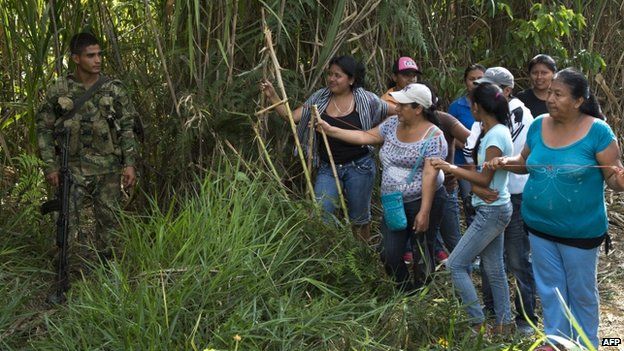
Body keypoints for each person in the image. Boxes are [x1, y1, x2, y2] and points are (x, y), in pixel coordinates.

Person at [486, 68, 624, 350]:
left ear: (578, 100)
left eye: (558, 94)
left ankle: (586, 344)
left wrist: (619, 179)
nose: (550, 98)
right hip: (539, 226)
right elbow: (525, 161)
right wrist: (504, 162)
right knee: (550, 290)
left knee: (581, 293)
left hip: (580, 231)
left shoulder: (598, 132)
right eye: (549, 92)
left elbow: (613, 177)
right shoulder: (538, 125)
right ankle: (556, 342)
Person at [317, 83, 447, 291]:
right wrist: (331, 130)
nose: (396, 108)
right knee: (389, 253)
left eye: (402, 105)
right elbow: (366, 136)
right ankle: (406, 291)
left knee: (421, 251)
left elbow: (430, 175)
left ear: (418, 109)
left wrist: (424, 211)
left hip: (421, 201)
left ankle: (422, 296)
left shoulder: (433, 137)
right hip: (393, 201)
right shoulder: (392, 124)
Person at [36, 33, 139, 285]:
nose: (97, 60)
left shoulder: (114, 89)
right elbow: (43, 130)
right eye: (90, 55)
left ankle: (107, 276)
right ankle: (62, 278)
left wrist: (130, 164)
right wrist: (50, 166)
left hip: (107, 170)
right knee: (65, 226)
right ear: (76, 58)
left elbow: (127, 128)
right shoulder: (59, 90)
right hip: (72, 170)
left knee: (109, 224)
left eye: (99, 54)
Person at [260, 55, 388, 242]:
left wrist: (379, 135)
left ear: (351, 79)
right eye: (330, 74)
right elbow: (292, 117)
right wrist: (273, 96)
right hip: (329, 167)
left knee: (359, 219)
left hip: (360, 166)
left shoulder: (367, 100)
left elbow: (395, 113)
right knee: (321, 215)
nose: (331, 79)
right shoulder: (319, 98)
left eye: (338, 75)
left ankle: (362, 259)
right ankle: (332, 257)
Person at [430, 82, 514, 334]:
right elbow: (485, 177)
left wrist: (451, 168)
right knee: (495, 269)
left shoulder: (496, 135)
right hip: (495, 206)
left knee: (455, 264)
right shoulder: (493, 131)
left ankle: (477, 322)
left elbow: (485, 178)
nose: (470, 106)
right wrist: (475, 187)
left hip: (492, 210)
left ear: (479, 107)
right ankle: (504, 324)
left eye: (471, 102)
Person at [463, 66, 537, 335]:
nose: (483, 92)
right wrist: (474, 184)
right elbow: (471, 152)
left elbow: (496, 155)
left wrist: (478, 179)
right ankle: (496, 316)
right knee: (491, 262)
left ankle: (524, 320)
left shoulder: (515, 114)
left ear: (506, 91)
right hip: (489, 195)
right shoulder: (483, 118)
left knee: (517, 259)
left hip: (513, 195)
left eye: (490, 88)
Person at [448, 64, 486, 226]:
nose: (476, 82)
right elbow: (448, 133)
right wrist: (466, 146)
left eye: (480, 79)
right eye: (472, 79)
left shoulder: (492, 104)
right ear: (465, 82)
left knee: (487, 203)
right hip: (463, 164)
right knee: (470, 203)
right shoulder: (456, 107)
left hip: (487, 163)